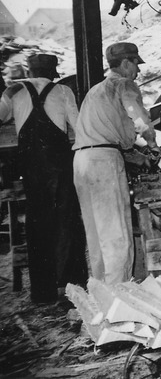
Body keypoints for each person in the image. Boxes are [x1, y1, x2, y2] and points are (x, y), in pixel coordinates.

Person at [0, 53, 87, 303]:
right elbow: (79, 126)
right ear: (53, 73)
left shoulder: (15, 91)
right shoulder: (62, 91)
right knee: (67, 221)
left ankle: (42, 292)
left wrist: (7, 95)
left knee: (37, 222)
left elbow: (1, 116)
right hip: (59, 164)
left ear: (29, 72)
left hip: (31, 165)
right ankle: (70, 287)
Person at [73, 42, 158, 284]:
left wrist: (137, 156)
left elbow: (109, 135)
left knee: (97, 234)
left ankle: (101, 293)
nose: (138, 72)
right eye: (135, 65)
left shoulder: (96, 90)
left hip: (82, 161)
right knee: (117, 232)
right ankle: (120, 297)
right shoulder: (124, 84)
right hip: (103, 164)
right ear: (126, 63)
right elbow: (138, 117)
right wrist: (153, 146)